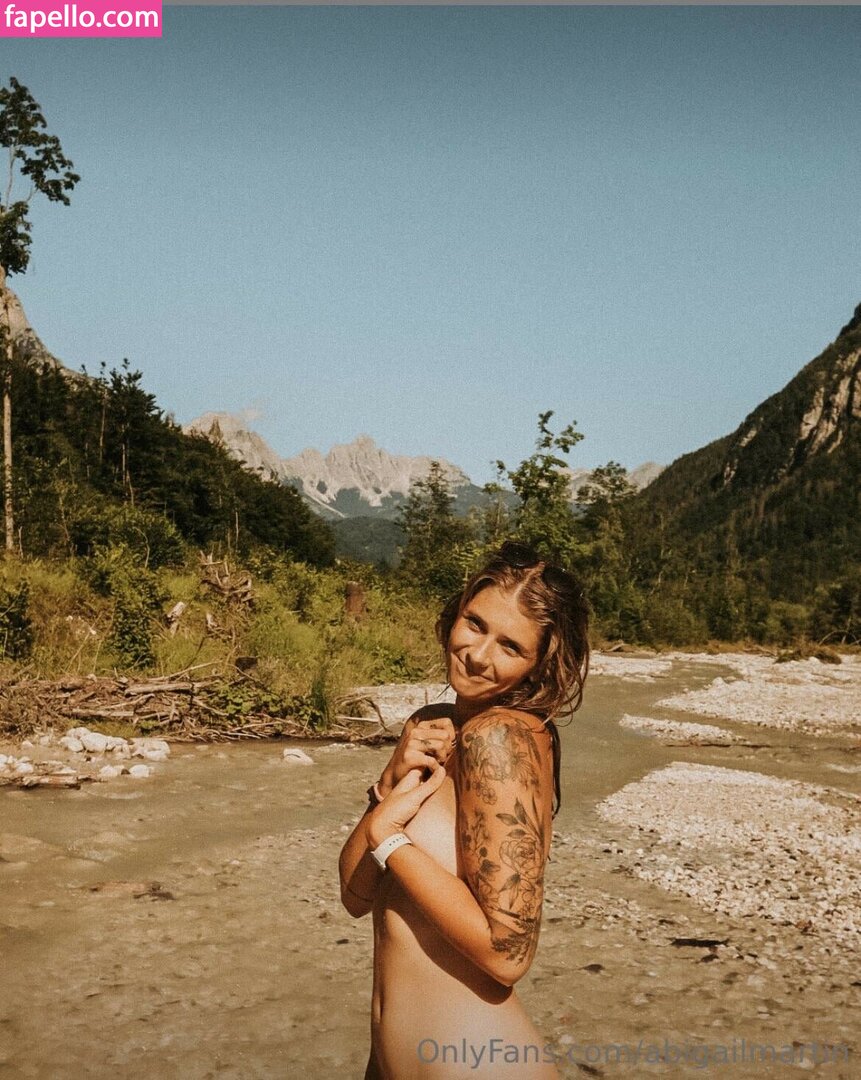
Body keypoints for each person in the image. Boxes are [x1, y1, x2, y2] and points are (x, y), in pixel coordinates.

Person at [338, 542, 590, 1079]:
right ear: (456, 612)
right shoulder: (432, 724)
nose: (478, 655)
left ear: (539, 665)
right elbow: (355, 897)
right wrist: (389, 782)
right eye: (475, 623)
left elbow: (508, 955)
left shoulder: (501, 739)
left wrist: (391, 839)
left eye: (510, 646)